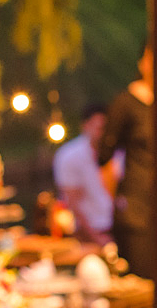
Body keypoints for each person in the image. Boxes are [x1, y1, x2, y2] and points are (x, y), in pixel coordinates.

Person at [98, 44, 154, 278]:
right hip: (136, 209)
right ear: (144, 62)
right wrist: (117, 201)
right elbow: (104, 158)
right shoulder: (126, 103)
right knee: (142, 277)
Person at [52, 104, 122, 245]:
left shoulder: (119, 153)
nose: (104, 134)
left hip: (120, 230)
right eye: (100, 128)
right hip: (87, 235)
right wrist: (95, 238)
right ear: (85, 126)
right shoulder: (69, 156)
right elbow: (72, 202)